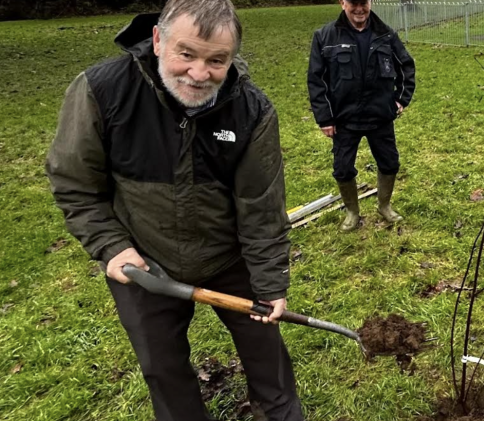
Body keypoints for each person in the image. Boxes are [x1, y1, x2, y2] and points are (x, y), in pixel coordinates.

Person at [45, 0, 303, 419]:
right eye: (187, 53)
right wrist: (111, 247)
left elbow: (261, 208)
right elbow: (74, 184)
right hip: (143, 263)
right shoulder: (102, 91)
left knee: (268, 359)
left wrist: (270, 281)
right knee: (163, 369)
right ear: (158, 39)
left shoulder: (252, 111)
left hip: (230, 257)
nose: (200, 74)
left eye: (217, 60)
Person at [307, 0, 416, 231]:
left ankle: (384, 206)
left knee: (389, 163)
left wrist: (400, 99)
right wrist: (325, 118)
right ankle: (352, 212)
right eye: (353, 2)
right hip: (344, 119)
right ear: (342, 3)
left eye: (364, 2)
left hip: (380, 116)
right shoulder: (325, 37)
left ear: (371, 3)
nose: (359, 8)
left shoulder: (386, 34)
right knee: (343, 169)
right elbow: (316, 81)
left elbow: (406, 67)